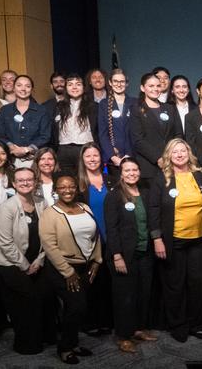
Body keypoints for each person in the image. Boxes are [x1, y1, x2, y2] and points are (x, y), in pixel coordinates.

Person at [155, 139, 202, 342]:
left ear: (189, 153)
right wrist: (157, 239)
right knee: (175, 285)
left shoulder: (201, 177)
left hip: (199, 240)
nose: (179, 155)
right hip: (174, 241)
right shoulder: (162, 179)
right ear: (168, 156)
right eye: (174, 152)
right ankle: (178, 325)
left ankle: (196, 324)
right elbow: (154, 210)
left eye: (182, 151)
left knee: (197, 283)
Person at [41, 174, 103, 364]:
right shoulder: (50, 214)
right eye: (62, 187)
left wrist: (97, 261)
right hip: (63, 269)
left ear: (76, 188)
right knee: (76, 307)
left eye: (71, 186)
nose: (67, 190)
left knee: (77, 309)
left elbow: (96, 236)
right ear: (55, 191)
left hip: (85, 267)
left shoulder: (84, 207)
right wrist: (68, 272)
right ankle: (65, 347)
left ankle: (73, 343)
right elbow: (49, 246)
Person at [0, 167, 50, 355]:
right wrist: (25, 266)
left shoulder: (42, 202)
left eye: (29, 179)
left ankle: (41, 338)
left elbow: (48, 235)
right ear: (14, 184)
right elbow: (5, 243)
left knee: (43, 297)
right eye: (20, 180)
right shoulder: (6, 207)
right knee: (26, 302)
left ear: (35, 182)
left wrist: (40, 260)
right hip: (9, 263)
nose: (25, 183)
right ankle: (26, 344)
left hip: (35, 261)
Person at [105, 158, 162, 353]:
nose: (131, 173)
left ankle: (138, 328)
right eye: (127, 170)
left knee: (143, 293)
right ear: (121, 173)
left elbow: (152, 220)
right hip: (124, 255)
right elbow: (111, 229)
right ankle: (123, 335)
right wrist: (117, 255)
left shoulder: (145, 193)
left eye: (134, 169)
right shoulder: (114, 196)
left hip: (144, 252)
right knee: (125, 297)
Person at [77, 144, 115, 336]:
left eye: (95, 155)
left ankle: (108, 321)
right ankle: (91, 322)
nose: (92, 159)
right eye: (88, 156)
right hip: (90, 242)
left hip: (112, 239)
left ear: (101, 158)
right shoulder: (79, 184)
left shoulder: (111, 180)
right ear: (82, 160)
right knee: (92, 283)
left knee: (109, 283)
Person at [131, 72, 183, 189]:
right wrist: (158, 158)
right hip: (149, 167)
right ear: (142, 88)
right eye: (151, 86)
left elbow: (178, 134)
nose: (155, 89)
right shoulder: (136, 110)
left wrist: (172, 156)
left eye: (158, 86)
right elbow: (138, 140)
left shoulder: (170, 108)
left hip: (172, 164)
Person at [0, 75, 52, 169]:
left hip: (35, 159)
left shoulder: (42, 110)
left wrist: (26, 149)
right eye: (19, 85)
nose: (23, 89)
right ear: (13, 88)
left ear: (32, 89)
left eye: (27, 86)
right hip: (10, 159)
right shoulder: (5, 110)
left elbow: (45, 136)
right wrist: (12, 147)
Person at [50, 75, 98, 175]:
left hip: (85, 148)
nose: (74, 87)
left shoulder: (93, 106)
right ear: (66, 88)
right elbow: (53, 131)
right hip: (63, 149)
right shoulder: (58, 106)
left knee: (85, 181)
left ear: (84, 87)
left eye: (78, 84)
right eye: (70, 85)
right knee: (66, 181)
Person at [98, 68, 135, 175]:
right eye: (115, 81)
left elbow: (137, 132)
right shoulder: (104, 104)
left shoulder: (135, 103)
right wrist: (113, 157)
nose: (119, 84)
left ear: (127, 83)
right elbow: (102, 134)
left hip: (132, 156)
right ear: (110, 82)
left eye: (122, 81)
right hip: (114, 159)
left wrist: (129, 154)